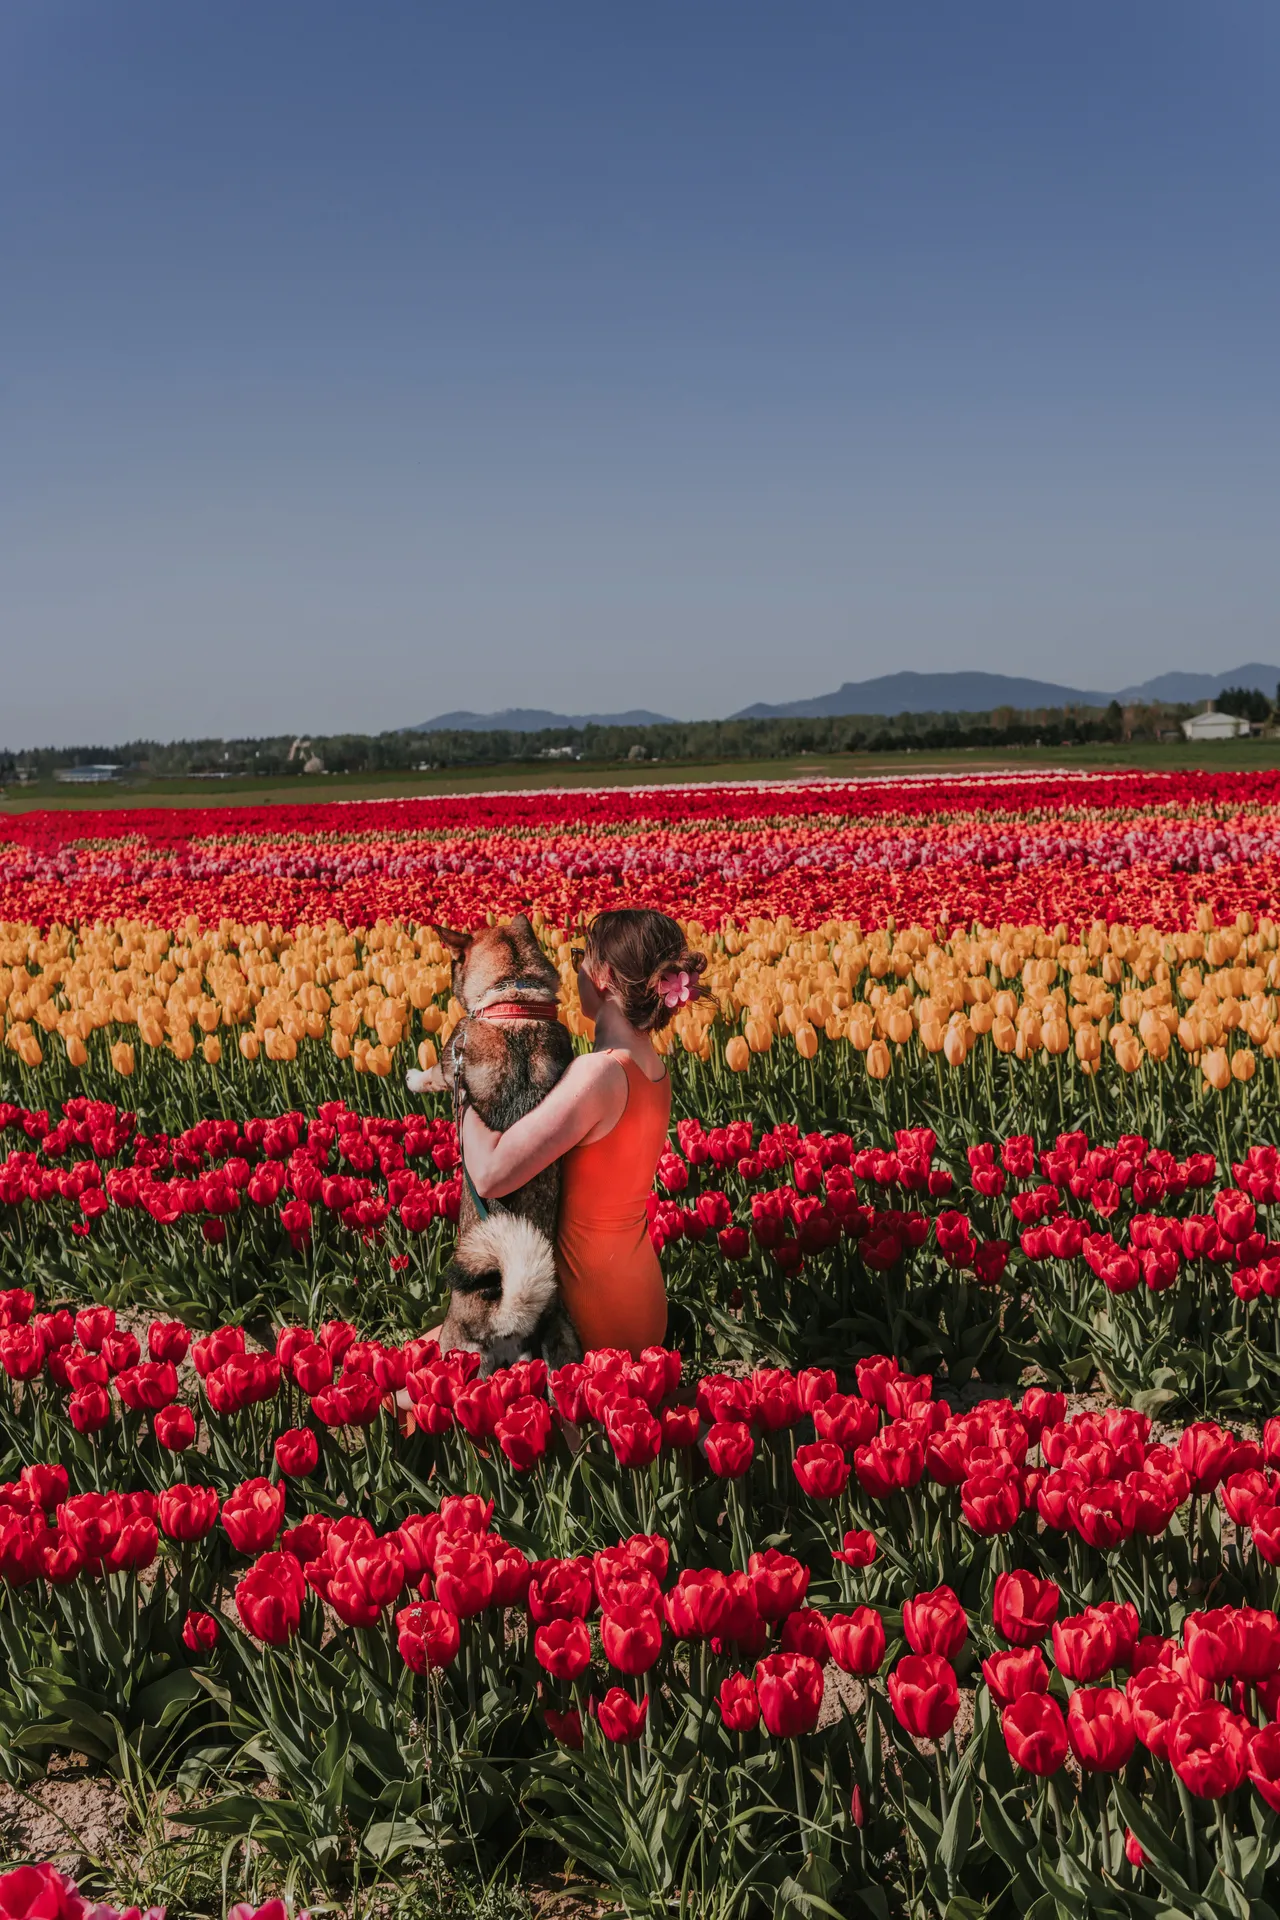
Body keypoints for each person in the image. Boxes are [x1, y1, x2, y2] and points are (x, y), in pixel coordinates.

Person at [454, 908, 705, 1358]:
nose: (576, 972)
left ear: (604, 976)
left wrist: (462, 1092)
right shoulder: (653, 1070)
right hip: (645, 1308)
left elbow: (491, 1173)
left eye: (580, 959)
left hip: (588, 1321)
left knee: (428, 1375)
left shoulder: (598, 1074)